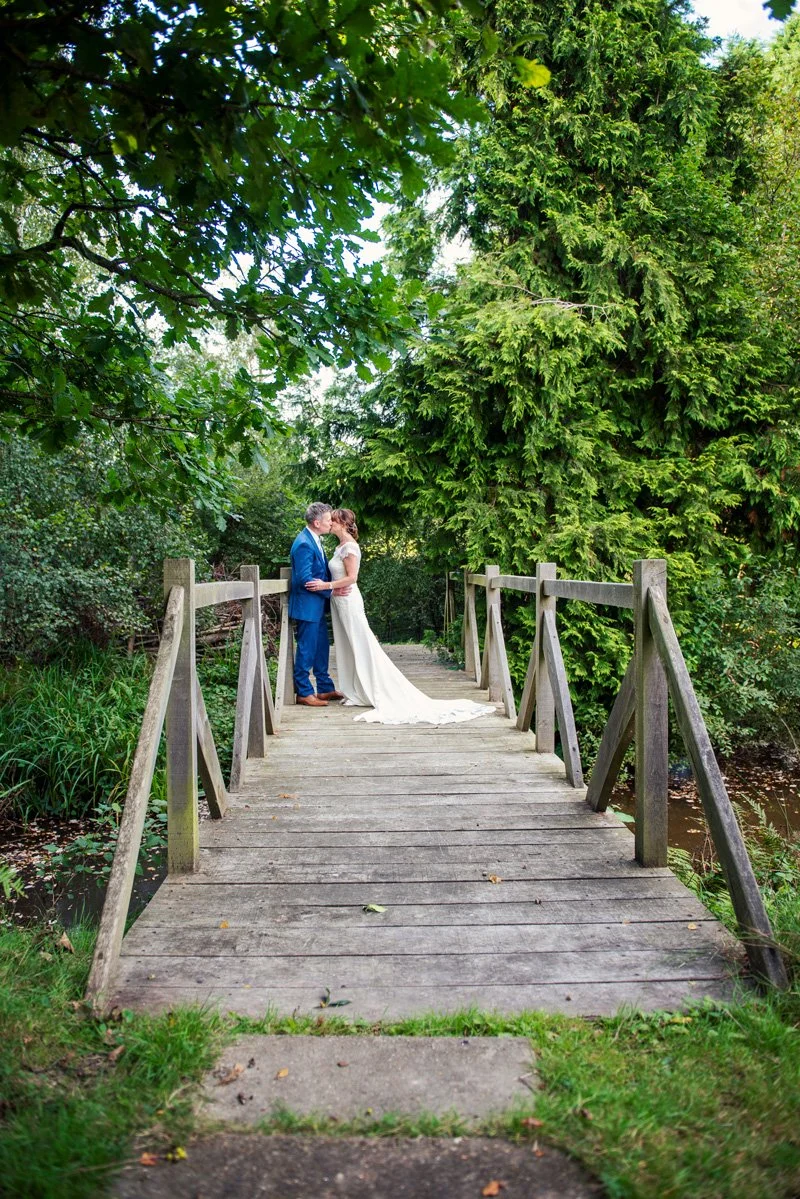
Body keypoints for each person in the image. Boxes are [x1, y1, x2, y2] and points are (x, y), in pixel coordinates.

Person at [305, 508, 495, 725]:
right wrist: (331, 590)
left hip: (348, 601)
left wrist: (325, 585)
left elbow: (352, 578)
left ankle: (373, 688)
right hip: (338, 601)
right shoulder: (338, 546)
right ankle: (355, 690)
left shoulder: (350, 547)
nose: (330, 524)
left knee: (361, 643)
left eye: (334, 521)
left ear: (343, 524)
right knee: (346, 645)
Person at [288, 502, 348, 707]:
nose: (331, 523)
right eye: (328, 520)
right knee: (306, 649)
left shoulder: (315, 539)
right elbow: (305, 578)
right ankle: (304, 692)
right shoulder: (304, 542)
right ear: (316, 522)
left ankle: (325, 688)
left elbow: (320, 571)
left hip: (317, 605)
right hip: (307, 606)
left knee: (321, 647)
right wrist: (331, 590)